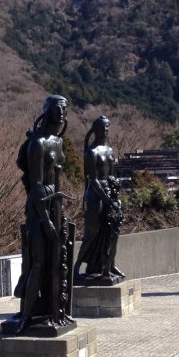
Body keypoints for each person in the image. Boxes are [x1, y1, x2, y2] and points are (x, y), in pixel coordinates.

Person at [3, 95, 76, 336]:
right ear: (47, 111)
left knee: (56, 261)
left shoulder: (58, 141)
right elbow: (35, 185)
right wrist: (45, 221)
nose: (62, 112)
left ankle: (55, 311)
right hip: (39, 207)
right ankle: (26, 315)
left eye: (64, 108)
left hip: (56, 205)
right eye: (57, 108)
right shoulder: (38, 144)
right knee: (37, 261)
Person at [74, 116, 125, 284]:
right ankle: (76, 267)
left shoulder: (109, 150)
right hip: (95, 195)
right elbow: (93, 180)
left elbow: (112, 176)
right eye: (102, 127)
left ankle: (109, 265)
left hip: (109, 192)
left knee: (110, 232)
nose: (105, 130)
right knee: (92, 232)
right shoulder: (92, 152)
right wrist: (107, 199)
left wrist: (115, 196)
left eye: (107, 127)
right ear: (95, 130)